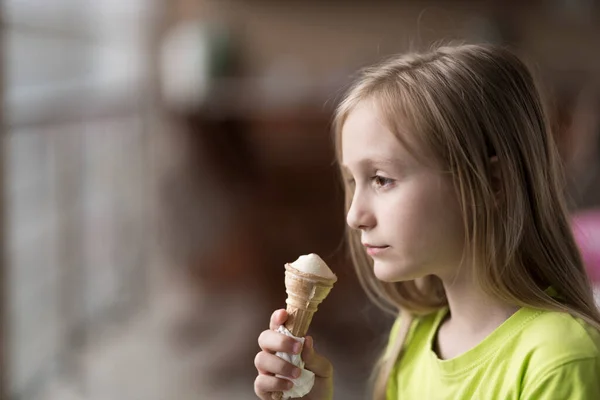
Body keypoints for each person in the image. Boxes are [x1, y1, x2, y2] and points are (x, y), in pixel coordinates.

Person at [253, 44, 600, 399]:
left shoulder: (559, 360)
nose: (355, 216)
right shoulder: (412, 336)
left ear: (494, 182)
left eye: (382, 179)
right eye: (353, 182)